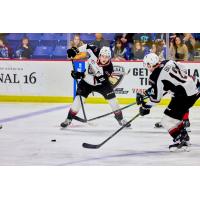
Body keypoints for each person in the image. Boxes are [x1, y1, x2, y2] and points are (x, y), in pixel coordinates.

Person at [138, 53, 200, 151]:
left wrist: (146, 107)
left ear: (150, 65)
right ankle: (184, 137)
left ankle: (179, 140)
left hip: (184, 96)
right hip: (194, 88)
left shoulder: (155, 76)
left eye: (147, 65)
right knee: (174, 118)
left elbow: (156, 99)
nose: (147, 68)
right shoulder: (167, 62)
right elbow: (182, 68)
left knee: (166, 121)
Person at [60, 44, 130, 128]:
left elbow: (97, 80)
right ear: (99, 55)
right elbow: (86, 46)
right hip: (86, 83)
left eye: (107, 57)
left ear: (110, 57)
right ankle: (68, 119)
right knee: (78, 101)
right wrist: (75, 51)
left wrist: (81, 75)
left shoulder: (109, 68)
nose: (104, 59)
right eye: (103, 56)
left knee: (114, 101)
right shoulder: (94, 51)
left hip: (101, 84)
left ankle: (120, 119)